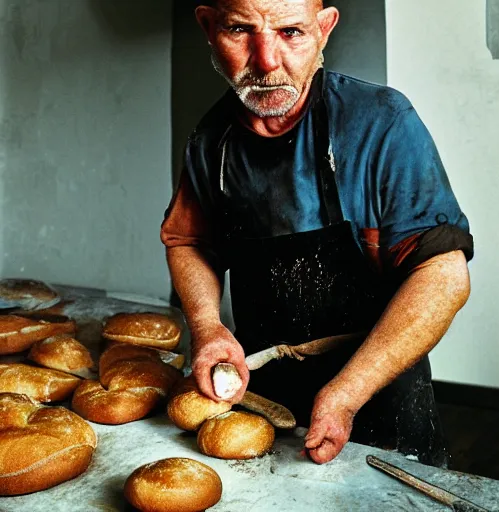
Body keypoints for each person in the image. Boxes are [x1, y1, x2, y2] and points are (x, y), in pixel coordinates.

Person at [161, 0, 473, 468]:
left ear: (324, 29)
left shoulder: (382, 122)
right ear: (208, 27)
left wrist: (347, 392)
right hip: (263, 402)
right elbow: (189, 243)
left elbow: (444, 275)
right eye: (240, 30)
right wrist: (208, 328)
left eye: (291, 33)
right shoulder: (211, 142)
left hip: (380, 396)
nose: (266, 61)